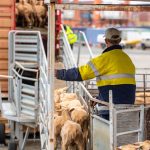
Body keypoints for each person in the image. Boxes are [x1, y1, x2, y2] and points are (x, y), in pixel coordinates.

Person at [55, 27, 136, 120]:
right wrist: (98, 98)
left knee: (100, 124)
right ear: (120, 40)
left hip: (110, 108)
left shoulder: (104, 59)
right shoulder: (127, 59)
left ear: (106, 41)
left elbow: (81, 73)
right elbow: (118, 86)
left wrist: (60, 73)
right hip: (128, 106)